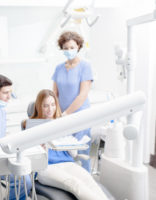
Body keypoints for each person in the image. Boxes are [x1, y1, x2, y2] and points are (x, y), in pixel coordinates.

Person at [24, 89, 108, 200]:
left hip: (68, 163)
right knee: (75, 184)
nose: (50, 109)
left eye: (53, 105)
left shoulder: (61, 123)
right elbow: (28, 155)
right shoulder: (32, 126)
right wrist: (40, 148)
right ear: (39, 107)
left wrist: (70, 137)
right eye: (46, 106)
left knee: (89, 180)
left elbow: (73, 154)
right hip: (46, 168)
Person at [52, 31, 93, 172]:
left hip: (81, 116)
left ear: (78, 47)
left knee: (80, 154)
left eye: (72, 47)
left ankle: (86, 182)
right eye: (65, 48)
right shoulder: (59, 68)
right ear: (62, 49)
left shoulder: (85, 67)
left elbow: (82, 95)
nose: (69, 51)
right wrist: (57, 113)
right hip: (63, 117)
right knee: (65, 152)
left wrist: (67, 113)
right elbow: (55, 94)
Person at [0, 74, 31, 200]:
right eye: (5, 93)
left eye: (10, 92)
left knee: (30, 171)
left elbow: (1, 136)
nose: (9, 97)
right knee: (23, 181)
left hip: (2, 154)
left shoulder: (2, 111)